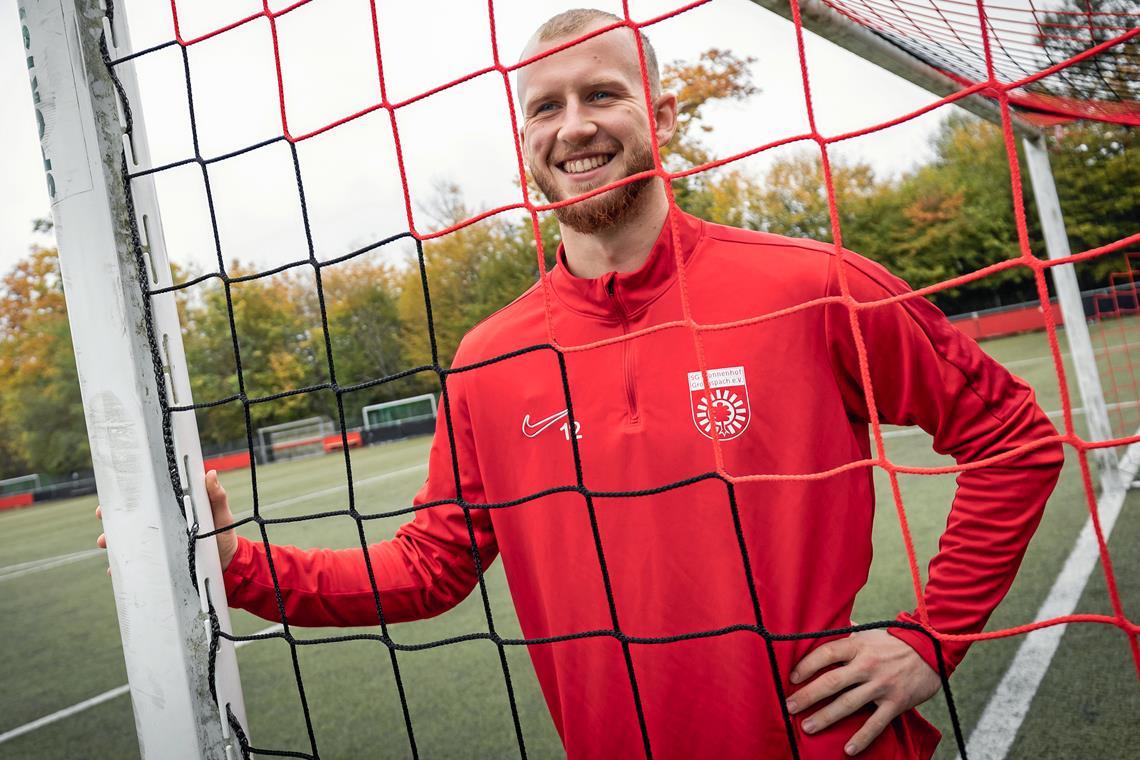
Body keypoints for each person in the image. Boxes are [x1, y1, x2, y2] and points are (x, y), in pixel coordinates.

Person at [99, 9, 1064, 759]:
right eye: (544, 108)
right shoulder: (487, 358)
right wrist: (231, 565)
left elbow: (1013, 438)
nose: (574, 128)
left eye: (602, 95)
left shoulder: (810, 284)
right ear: (523, 136)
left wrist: (931, 637)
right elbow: (426, 570)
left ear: (663, 114)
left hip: (828, 746)